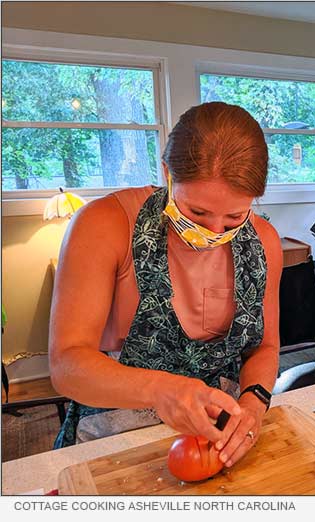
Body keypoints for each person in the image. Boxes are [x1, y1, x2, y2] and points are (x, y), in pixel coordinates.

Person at [49, 102, 282, 471]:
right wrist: (161, 391)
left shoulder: (264, 242)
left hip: (217, 437)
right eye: (197, 213)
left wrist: (254, 402)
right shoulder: (105, 224)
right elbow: (66, 364)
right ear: (167, 174)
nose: (214, 232)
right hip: (114, 432)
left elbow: (265, 346)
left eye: (234, 217)